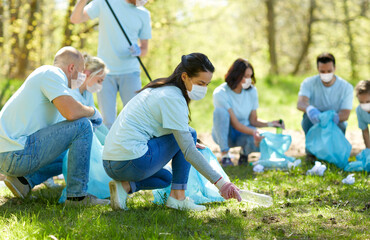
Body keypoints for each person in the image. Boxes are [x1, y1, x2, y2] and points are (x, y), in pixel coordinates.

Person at [103, 53, 242, 211]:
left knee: (166, 178)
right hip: (130, 161)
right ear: (185, 76)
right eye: (200, 83)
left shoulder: (160, 89)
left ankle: (125, 186)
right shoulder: (173, 98)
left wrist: (185, 142)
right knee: (189, 133)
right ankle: (178, 198)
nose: (203, 89)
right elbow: (188, 150)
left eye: (207, 84)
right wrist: (222, 184)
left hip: (111, 163)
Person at [0, 46, 108, 205]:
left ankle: (23, 181)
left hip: (10, 152)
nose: (81, 77)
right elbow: (72, 113)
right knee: (82, 125)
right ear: (72, 68)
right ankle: (76, 197)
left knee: (72, 148)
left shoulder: (54, 85)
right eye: (81, 71)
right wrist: (92, 112)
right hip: (13, 153)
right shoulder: (51, 73)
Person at [70, 0, 152, 129]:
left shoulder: (144, 14)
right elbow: (76, 19)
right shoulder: (105, 2)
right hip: (104, 74)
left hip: (131, 72)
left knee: (134, 117)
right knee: (107, 121)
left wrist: (139, 51)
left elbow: (145, 49)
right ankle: (107, 149)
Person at [58, 53, 112, 202]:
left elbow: (97, 121)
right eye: (99, 80)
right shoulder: (71, 92)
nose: (99, 86)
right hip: (69, 137)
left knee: (106, 138)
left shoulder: (86, 93)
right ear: (88, 74)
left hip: (83, 132)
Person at [212, 58, 284, 167]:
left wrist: (271, 124)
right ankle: (225, 155)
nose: (248, 79)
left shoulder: (252, 91)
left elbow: (253, 120)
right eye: (245, 76)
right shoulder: (221, 93)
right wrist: (254, 131)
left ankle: (244, 153)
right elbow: (235, 124)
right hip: (226, 135)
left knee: (263, 139)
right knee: (220, 112)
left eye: (250, 76)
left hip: (244, 133)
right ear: (236, 75)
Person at [297, 53, 353, 161]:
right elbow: (300, 103)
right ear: (317, 69)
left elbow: (345, 114)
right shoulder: (309, 83)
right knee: (306, 119)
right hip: (315, 119)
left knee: (341, 125)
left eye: (329, 71)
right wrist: (310, 109)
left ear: (334, 68)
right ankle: (311, 153)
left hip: (334, 119)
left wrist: (332, 118)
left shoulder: (346, 87)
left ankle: (335, 151)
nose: (326, 74)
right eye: (322, 71)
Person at [355, 80, 370, 149]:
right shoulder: (360, 110)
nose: (365, 105)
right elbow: (365, 131)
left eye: (368, 101)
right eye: (361, 102)